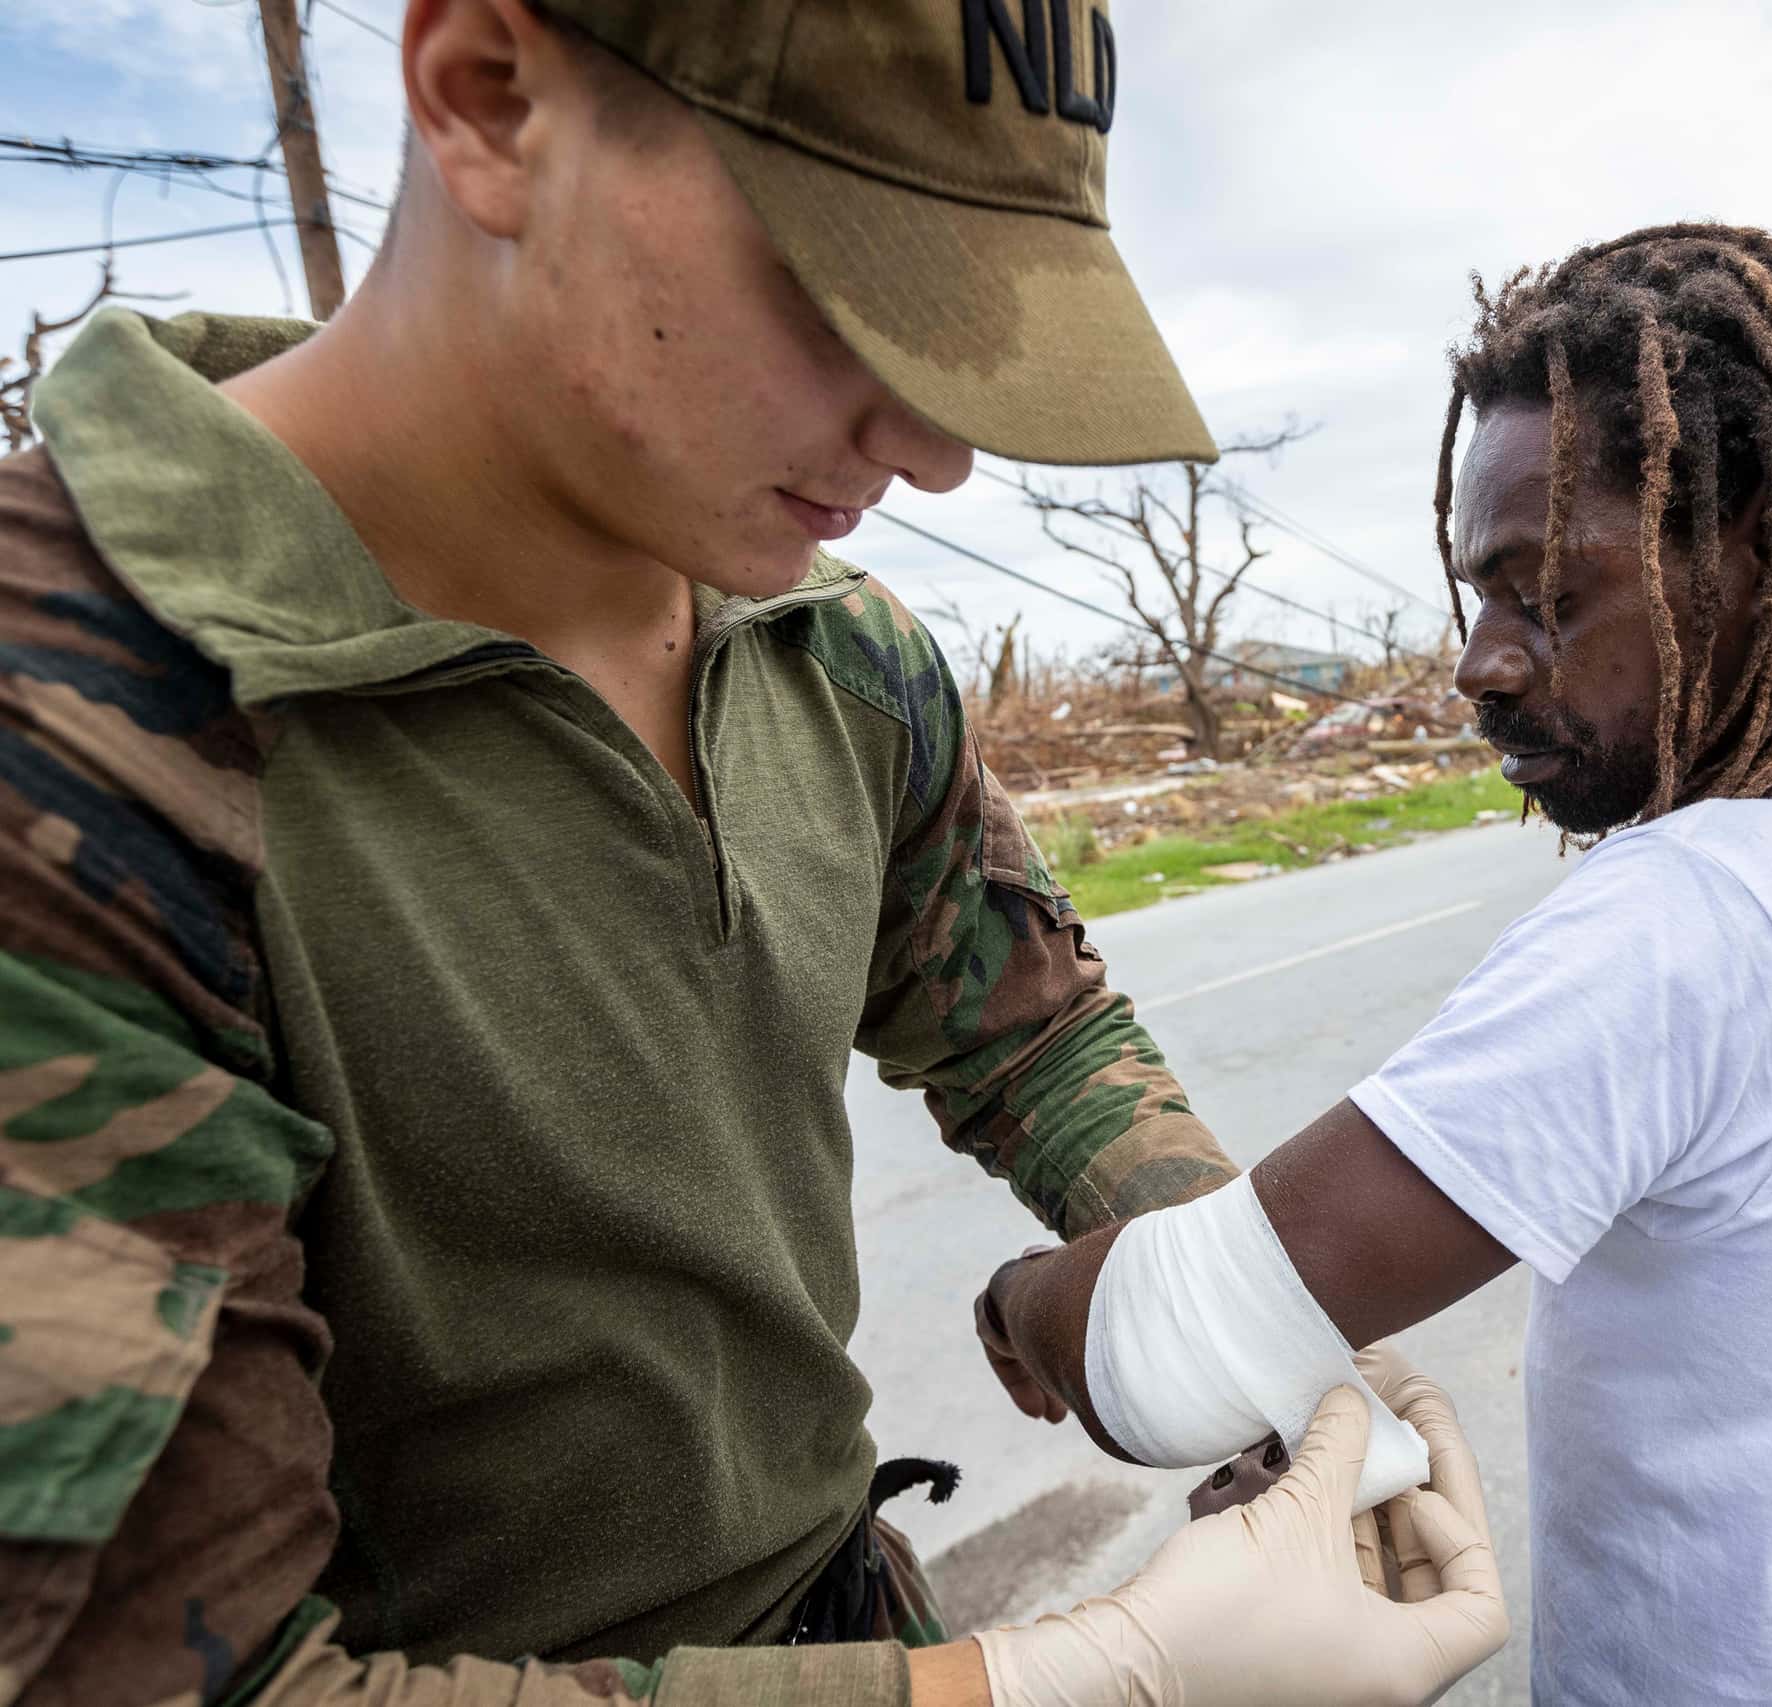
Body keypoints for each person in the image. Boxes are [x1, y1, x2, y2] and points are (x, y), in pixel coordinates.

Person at [0, 2, 1505, 1704]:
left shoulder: (833, 649)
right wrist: (1093, 1680)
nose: (936, 449)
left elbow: (1028, 1028)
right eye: (854, 294)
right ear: (488, 98)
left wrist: (1251, 1327)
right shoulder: (67, 728)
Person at [976, 222, 1772, 1705]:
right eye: (1478, 595)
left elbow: (1176, 1353)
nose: (1479, 662)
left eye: (1549, 593)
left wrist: (1028, 1300)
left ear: (1756, 541)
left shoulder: (1697, 909)